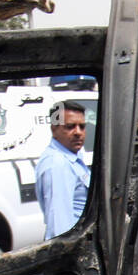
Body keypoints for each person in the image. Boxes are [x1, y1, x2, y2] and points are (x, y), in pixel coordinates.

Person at [35, 100, 90, 239]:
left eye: (82, 127)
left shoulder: (72, 156)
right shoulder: (57, 164)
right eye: (70, 127)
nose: (78, 132)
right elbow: (59, 226)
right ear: (54, 129)